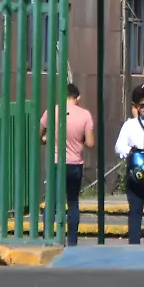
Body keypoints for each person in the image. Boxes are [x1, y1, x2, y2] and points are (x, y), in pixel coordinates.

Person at [40, 83, 95, 246]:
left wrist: (46, 139)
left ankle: (49, 237)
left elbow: (39, 134)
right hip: (75, 165)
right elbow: (91, 143)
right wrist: (80, 140)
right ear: (78, 98)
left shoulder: (52, 111)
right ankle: (72, 240)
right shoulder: (85, 115)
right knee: (72, 202)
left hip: (57, 163)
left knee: (51, 201)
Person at [115, 88, 144, 244]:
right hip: (135, 175)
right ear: (137, 107)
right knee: (135, 211)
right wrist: (130, 151)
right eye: (142, 105)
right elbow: (118, 146)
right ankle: (133, 244)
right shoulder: (130, 125)